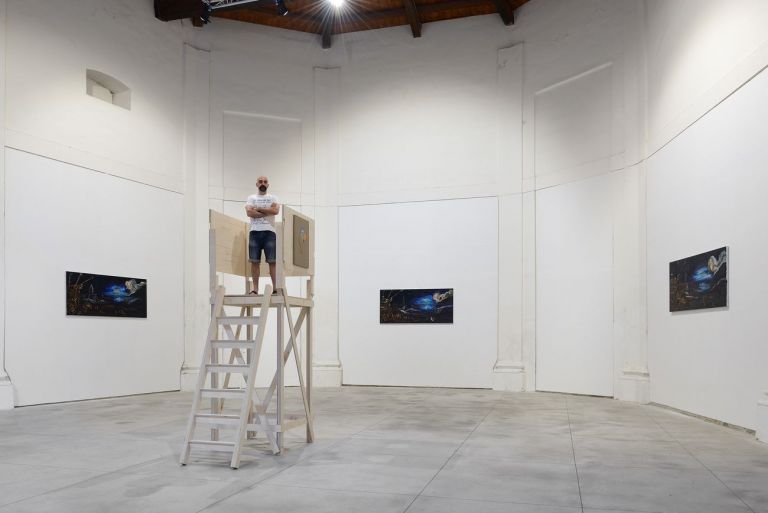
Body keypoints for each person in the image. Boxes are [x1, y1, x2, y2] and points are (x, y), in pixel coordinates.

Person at [245, 176, 280, 294]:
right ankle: (255, 289)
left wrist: (259, 209)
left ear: (268, 184)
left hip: (270, 232)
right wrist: (267, 211)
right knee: (254, 261)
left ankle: (275, 288)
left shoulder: (273, 197)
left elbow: (275, 211)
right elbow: (249, 212)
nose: (262, 183)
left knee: (272, 261)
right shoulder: (251, 197)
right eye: (260, 182)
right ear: (256, 184)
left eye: (265, 182)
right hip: (254, 232)